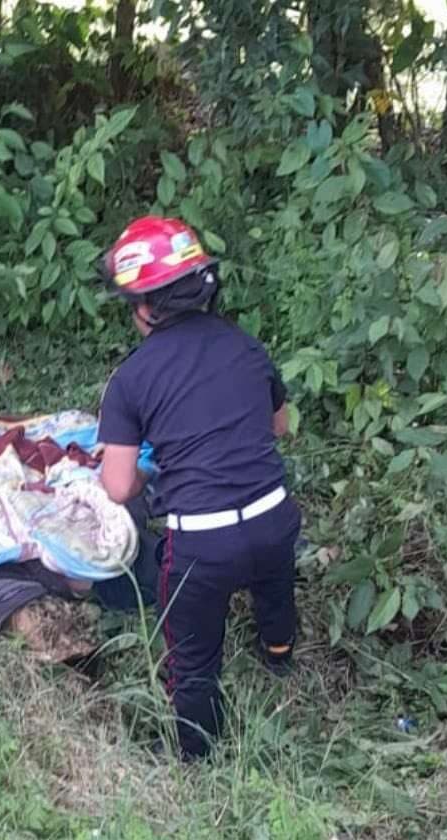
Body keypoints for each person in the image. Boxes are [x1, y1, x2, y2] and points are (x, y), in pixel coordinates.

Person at [94, 216, 302, 761]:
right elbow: (280, 427)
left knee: (192, 654)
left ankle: (197, 754)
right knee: (274, 588)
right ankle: (278, 652)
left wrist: (150, 468)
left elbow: (117, 486)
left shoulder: (131, 379)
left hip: (202, 545)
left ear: (142, 307)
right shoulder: (246, 346)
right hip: (276, 517)